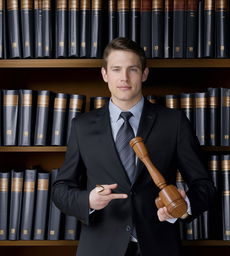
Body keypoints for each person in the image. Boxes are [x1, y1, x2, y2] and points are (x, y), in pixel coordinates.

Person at [52, 37, 215, 256]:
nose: (124, 78)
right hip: (100, 248)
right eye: (116, 69)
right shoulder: (81, 126)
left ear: (144, 74)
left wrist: (182, 206)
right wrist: (88, 201)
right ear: (105, 74)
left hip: (160, 247)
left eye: (133, 69)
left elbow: (204, 186)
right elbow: (61, 190)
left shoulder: (174, 122)